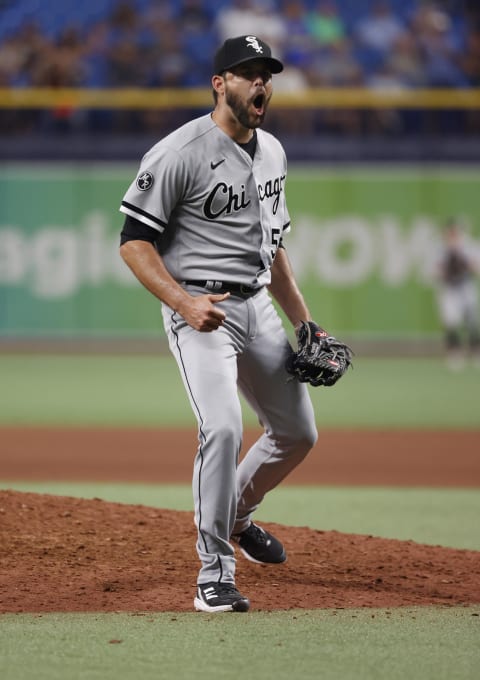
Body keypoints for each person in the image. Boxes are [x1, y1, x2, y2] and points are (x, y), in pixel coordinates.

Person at [119, 35, 318, 613]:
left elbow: (273, 247)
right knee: (224, 429)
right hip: (202, 314)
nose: (261, 83)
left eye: (267, 74)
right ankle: (214, 572)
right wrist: (183, 304)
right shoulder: (179, 151)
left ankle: (236, 515)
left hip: (256, 307)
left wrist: (305, 322)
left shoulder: (274, 152)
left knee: (298, 434)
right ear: (219, 83)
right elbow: (134, 243)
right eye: (247, 73)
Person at [435, 218, 480, 369]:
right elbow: (435, 271)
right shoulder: (440, 249)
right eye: (450, 232)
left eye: (455, 232)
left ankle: (476, 351)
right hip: (449, 288)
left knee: (470, 320)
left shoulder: (469, 246)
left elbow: (476, 268)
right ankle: (454, 353)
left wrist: (465, 262)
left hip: (465, 286)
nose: (453, 235)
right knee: (450, 321)